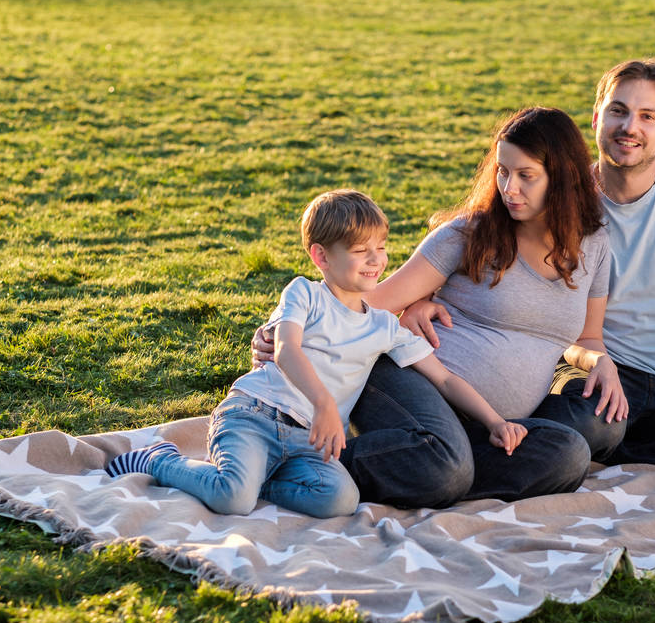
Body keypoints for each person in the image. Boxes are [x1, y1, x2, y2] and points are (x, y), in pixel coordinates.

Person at [406, 59, 655, 483]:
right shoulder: (556, 192)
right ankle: (569, 450)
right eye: (618, 111)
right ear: (596, 117)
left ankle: (588, 457)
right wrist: (419, 298)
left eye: (647, 116)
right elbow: (474, 238)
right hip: (575, 373)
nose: (630, 127)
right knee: (597, 422)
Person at [252, 107, 629, 508]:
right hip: (410, 375)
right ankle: (306, 463)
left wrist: (598, 362)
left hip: (486, 417)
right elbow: (364, 301)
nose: (509, 188)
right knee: (448, 467)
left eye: (526, 175)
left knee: (576, 447)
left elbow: (586, 336)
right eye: (502, 171)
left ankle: (437, 460)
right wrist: (281, 330)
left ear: (564, 179)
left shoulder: (595, 246)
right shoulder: (471, 233)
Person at [106, 189, 528, 518]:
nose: (376, 260)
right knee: (232, 498)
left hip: (308, 442)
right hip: (256, 414)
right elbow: (286, 349)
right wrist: (325, 404)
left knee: (339, 500)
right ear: (321, 256)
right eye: (361, 251)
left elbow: (445, 378)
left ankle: (259, 480)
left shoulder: (384, 327)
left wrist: (494, 420)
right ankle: (161, 461)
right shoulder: (304, 294)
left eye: (381, 247)